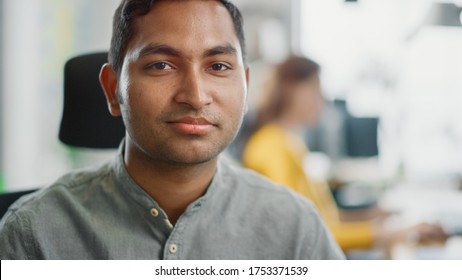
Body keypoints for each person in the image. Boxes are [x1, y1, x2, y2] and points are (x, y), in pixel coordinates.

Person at [0, 0, 344, 259]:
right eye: (161, 65)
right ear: (112, 89)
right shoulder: (35, 235)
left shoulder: (295, 230)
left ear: (246, 86)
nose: (195, 96)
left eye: (219, 66)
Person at [242, 56, 447, 252]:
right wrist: (395, 232)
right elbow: (304, 232)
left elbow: (322, 219)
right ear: (294, 90)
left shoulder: (286, 142)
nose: (322, 99)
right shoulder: (273, 148)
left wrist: (371, 215)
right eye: (316, 89)